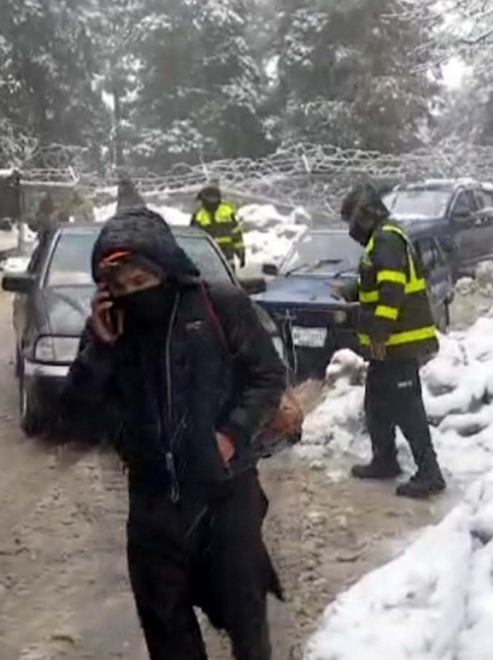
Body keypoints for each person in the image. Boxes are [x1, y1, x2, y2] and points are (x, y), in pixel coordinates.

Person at [59, 207, 286, 660]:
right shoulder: (109, 330)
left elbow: (267, 377)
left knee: (246, 621)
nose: (131, 295)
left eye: (140, 283)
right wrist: (100, 350)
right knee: (167, 632)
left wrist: (230, 436)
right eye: (119, 288)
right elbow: (75, 413)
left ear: (166, 270)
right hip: (152, 506)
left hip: (226, 494)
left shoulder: (220, 305)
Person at [341, 183, 446, 499]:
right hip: (389, 345)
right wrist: (351, 292)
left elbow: (392, 290)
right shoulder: (380, 239)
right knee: (376, 403)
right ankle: (384, 459)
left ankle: (430, 473)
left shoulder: (386, 238)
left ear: (364, 214)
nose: (351, 229)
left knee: (407, 408)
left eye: (352, 221)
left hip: (399, 342)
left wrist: (379, 335)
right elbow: (377, 283)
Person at [191, 184, 246, 269]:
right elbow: (193, 240)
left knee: (226, 279)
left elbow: (236, 234)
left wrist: (241, 252)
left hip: (225, 257)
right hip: (208, 258)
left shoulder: (226, 212)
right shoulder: (199, 216)